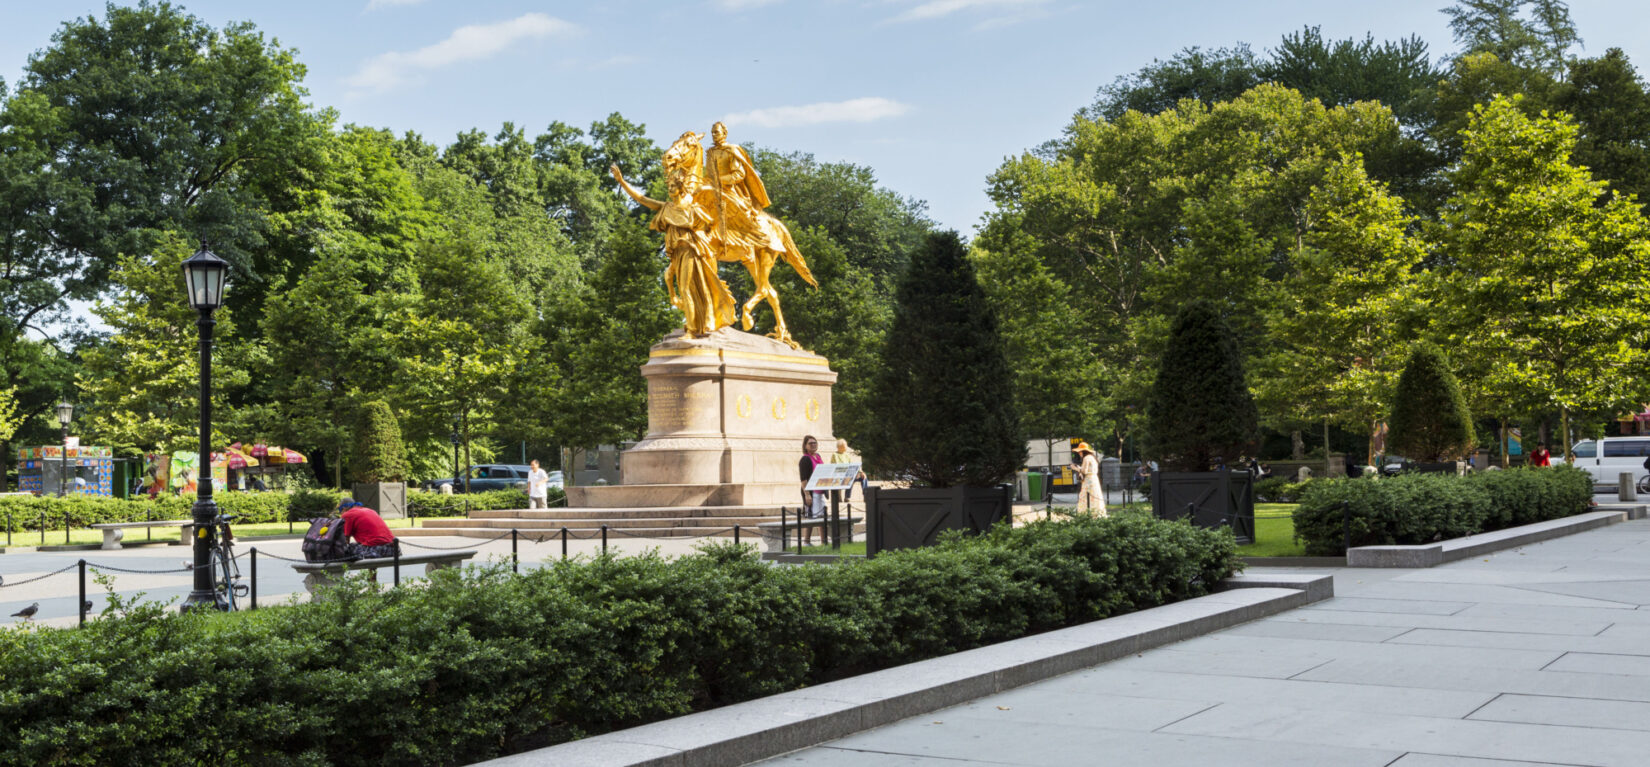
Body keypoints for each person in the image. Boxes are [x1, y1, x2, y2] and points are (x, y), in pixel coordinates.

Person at [798, 435, 826, 544]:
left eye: (815, 442)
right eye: (810, 443)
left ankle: (823, 541)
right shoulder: (805, 459)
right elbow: (803, 480)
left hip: (819, 490)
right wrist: (807, 495)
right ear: (805, 446)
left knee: (821, 515)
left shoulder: (818, 456)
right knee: (811, 517)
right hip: (810, 491)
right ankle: (807, 541)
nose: (813, 445)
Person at [828, 439, 870, 505]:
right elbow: (837, 466)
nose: (846, 447)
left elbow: (852, 465)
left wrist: (861, 472)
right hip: (840, 476)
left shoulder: (846, 455)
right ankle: (847, 497)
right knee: (850, 478)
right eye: (845, 445)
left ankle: (866, 495)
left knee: (863, 477)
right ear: (840, 446)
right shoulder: (835, 455)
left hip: (849, 474)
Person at [1074, 442, 1107, 516]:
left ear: (1083, 451)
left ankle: (1085, 514)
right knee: (1095, 496)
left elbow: (1084, 471)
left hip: (1088, 481)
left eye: (1079, 452)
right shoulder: (1092, 457)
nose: (1079, 453)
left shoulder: (1086, 458)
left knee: (1086, 496)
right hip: (1094, 480)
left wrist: (1075, 468)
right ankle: (1097, 513)